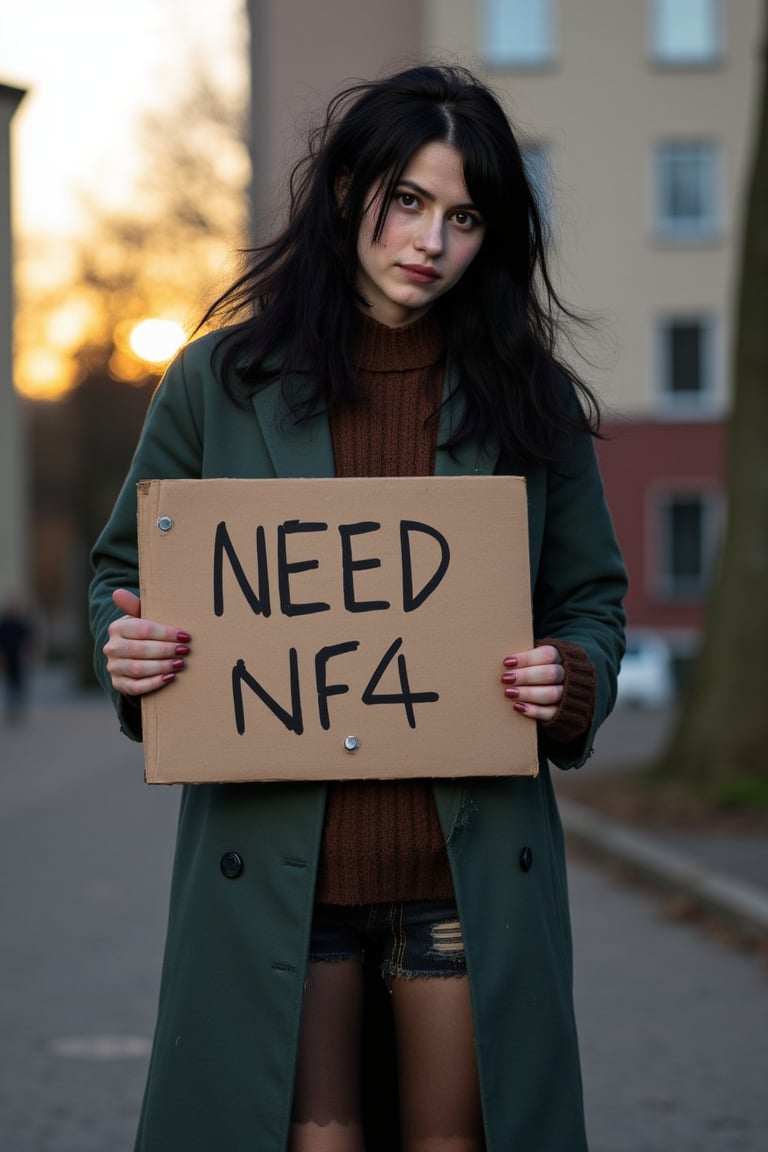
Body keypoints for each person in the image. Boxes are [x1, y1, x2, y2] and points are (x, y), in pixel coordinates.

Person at [89, 64, 626, 1152]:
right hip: (280, 874)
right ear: (347, 193)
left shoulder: (532, 399)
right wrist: (130, 645)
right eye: (410, 201)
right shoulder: (216, 382)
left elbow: (590, 598)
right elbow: (121, 571)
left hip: (461, 872)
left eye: (466, 216)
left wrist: (568, 677)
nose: (431, 239)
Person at [0, 595, 35, 722]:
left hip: (19, 660)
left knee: (20, 686)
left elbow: (28, 641)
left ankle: (20, 710)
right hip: (9, 660)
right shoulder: (3, 624)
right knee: (9, 687)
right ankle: (11, 712)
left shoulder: (21, 624)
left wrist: (27, 655)